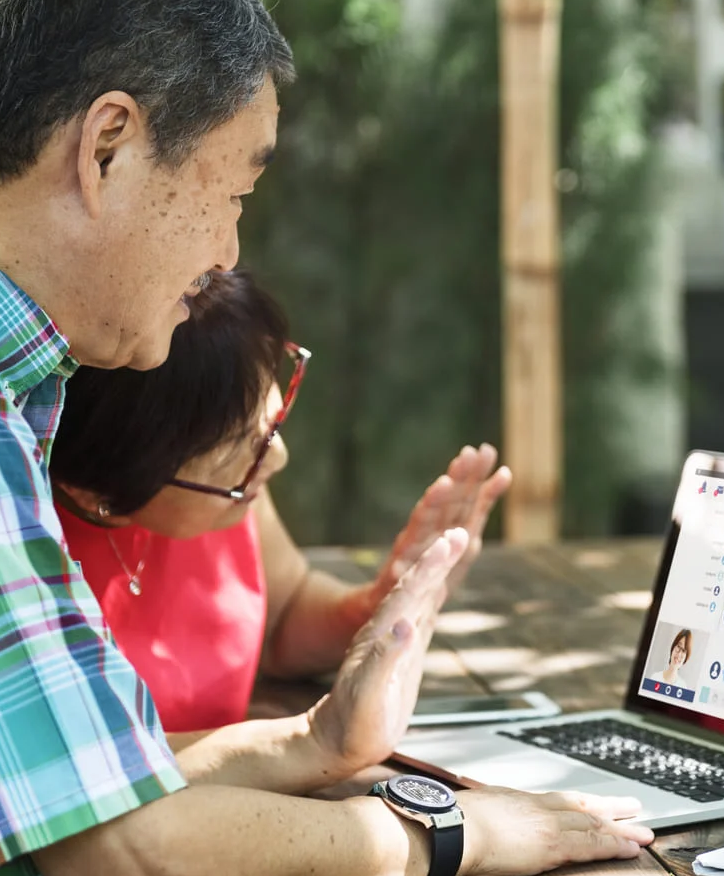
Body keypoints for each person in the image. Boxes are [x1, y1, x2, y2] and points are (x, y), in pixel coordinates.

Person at [0, 0, 653, 876]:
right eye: (237, 186)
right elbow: (133, 863)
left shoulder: (14, 397)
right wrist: (455, 832)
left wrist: (315, 745)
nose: (226, 247)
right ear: (108, 145)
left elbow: (78, 811)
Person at [49, 267, 510, 792]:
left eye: (271, 428)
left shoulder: (226, 500)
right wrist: (313, 741)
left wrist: (383, 604)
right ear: (100, 494)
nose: (278, 460)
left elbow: (284, 616)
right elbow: (84, 779)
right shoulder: (21, 551)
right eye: (245, 454)